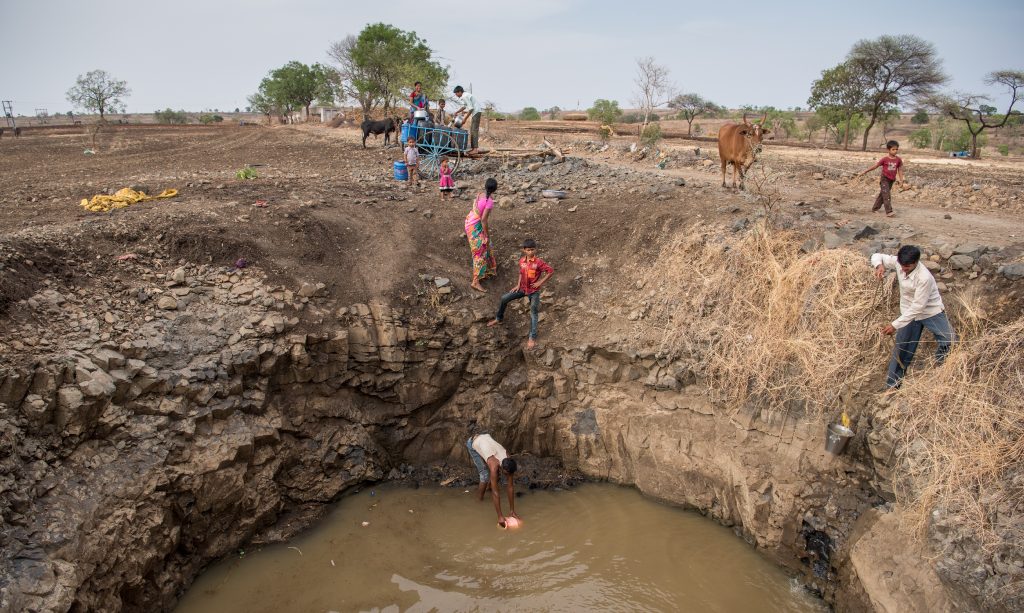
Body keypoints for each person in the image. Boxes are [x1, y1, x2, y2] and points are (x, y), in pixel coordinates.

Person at [871, 245, 955, 389]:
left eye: (907, 267)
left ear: (916, 262)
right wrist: (879, 266)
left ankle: (941, 372)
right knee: (902, 349)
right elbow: (876, 255)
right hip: (908, 311)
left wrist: (894, 325)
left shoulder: (924, 278)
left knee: (949, 340)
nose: (903, 269)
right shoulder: (899, 262)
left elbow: (918, 307)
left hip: (930, 311)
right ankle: (892, 386)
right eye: (902, 266)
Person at [487, 239, 553, 349]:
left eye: (532, 250)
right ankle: (499, 318)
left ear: (535, 249)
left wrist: (540, 282)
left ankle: (532, 337)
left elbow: (550, 271)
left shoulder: (538, 262)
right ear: (524, 250)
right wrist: (518, 285)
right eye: (528, 250)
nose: (530, 252)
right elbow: (521, 273)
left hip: (533, 292)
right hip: (522, 289)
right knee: (504, 298)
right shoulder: (522, 261)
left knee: (533, 312)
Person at [466, 432, 519, 527]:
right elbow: (495, 493)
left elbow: (510, 487)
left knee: (495, 476)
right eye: (506, 474)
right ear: (502, 467)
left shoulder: (507, 458)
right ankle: (479, 500)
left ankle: (490, 486)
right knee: (485, 475)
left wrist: (512, 511)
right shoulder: (494, 466)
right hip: (473, 442)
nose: (508, 476)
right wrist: (500, 516)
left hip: (485, 438)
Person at [465, 178, 498, 291]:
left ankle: (488, 270)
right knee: (479, 252)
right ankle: (475, 281)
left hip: (469, 221)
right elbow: (484, 220)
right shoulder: (489, 201)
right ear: (495, 189)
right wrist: (486, 235)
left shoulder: (480, 194)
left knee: (485, 247)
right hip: (475, 226)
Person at [857, 140, 905, 218]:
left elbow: (900, 170)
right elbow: (875, 166)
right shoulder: (884, 159)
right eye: (893, 149)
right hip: (884, 179)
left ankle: (875, 208)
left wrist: (901, 180)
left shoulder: (898, 160)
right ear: (888, 150)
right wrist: (865, 171)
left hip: (891, 180)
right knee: (886, 195)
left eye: (896, 149)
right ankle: (889, 211)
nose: (895, 151)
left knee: (883, 194)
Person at [452, 85, 481, 152]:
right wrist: (457, 112)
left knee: (474, 130)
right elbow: (464, 107)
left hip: (476, 112)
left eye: (456, 93)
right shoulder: (464, 95)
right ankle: (473, 148)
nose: (456, 95)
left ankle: (475, 149)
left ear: (459, 92)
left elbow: (471, 109)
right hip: (476, 111)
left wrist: (465, 119)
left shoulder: (465, 96)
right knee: (472, 130)